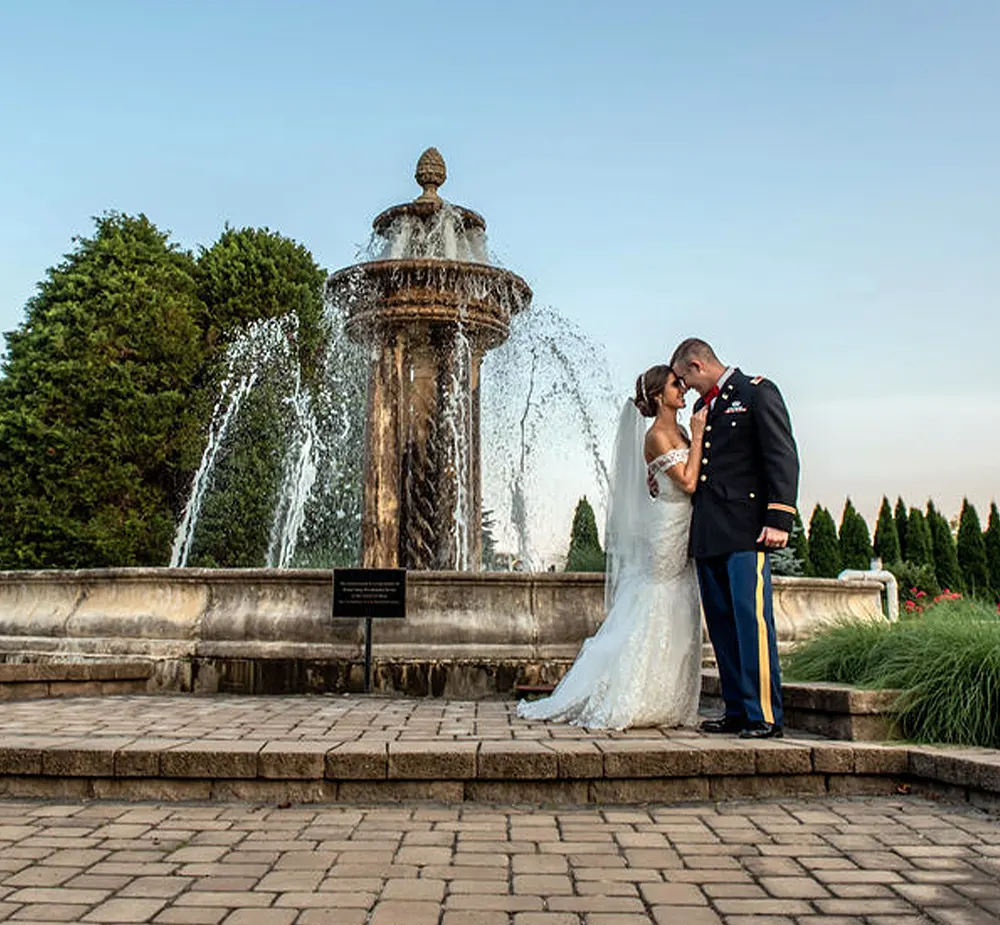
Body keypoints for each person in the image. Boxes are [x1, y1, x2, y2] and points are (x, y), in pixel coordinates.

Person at [517, 366, 708, 729]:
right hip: (667, 527)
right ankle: (636, 692)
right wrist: (698, 438)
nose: (682, 389)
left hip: (684, 525)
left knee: (681, 600)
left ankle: (670, 696)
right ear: (657, 396)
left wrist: (691, 437)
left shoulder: (680, 431)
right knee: (659, 600)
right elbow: (687, 481)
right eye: (675, 385)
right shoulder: (656, 436)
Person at [668, 338, 800, 739]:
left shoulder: (756, 392)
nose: (685, 387)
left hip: (746, 530)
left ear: (696, 364)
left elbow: (782, 455)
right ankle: (738, 710)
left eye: (684, 378)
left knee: (751, 622)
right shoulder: (701, 408)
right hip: (710, 531)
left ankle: (764, 714)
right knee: (723, 625)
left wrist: (779, 518)